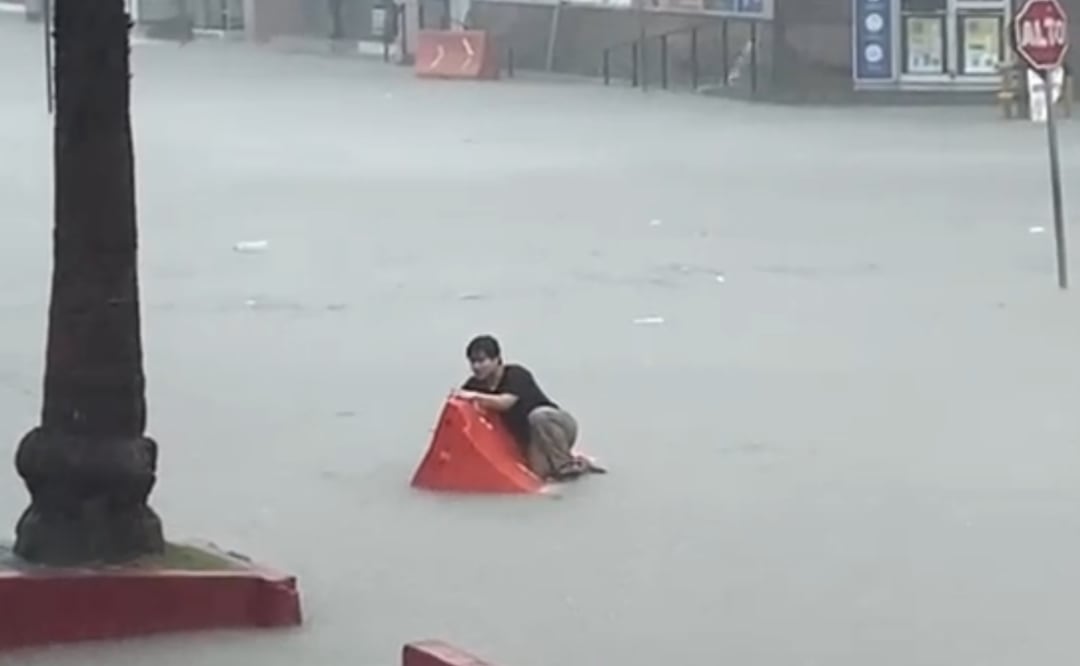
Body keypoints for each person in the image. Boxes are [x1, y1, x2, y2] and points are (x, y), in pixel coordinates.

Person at [453, 335, 601, 481]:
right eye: (472, 362)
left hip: (557, 425)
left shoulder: (516, 374)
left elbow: (505, 402)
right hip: (532, 439)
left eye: (481, 361)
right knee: (539, 475)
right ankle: (579, 464)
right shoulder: (475, 385)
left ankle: (565, 465)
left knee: (538, 416)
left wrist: (474, 397)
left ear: (497, 359)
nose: (476, 367)